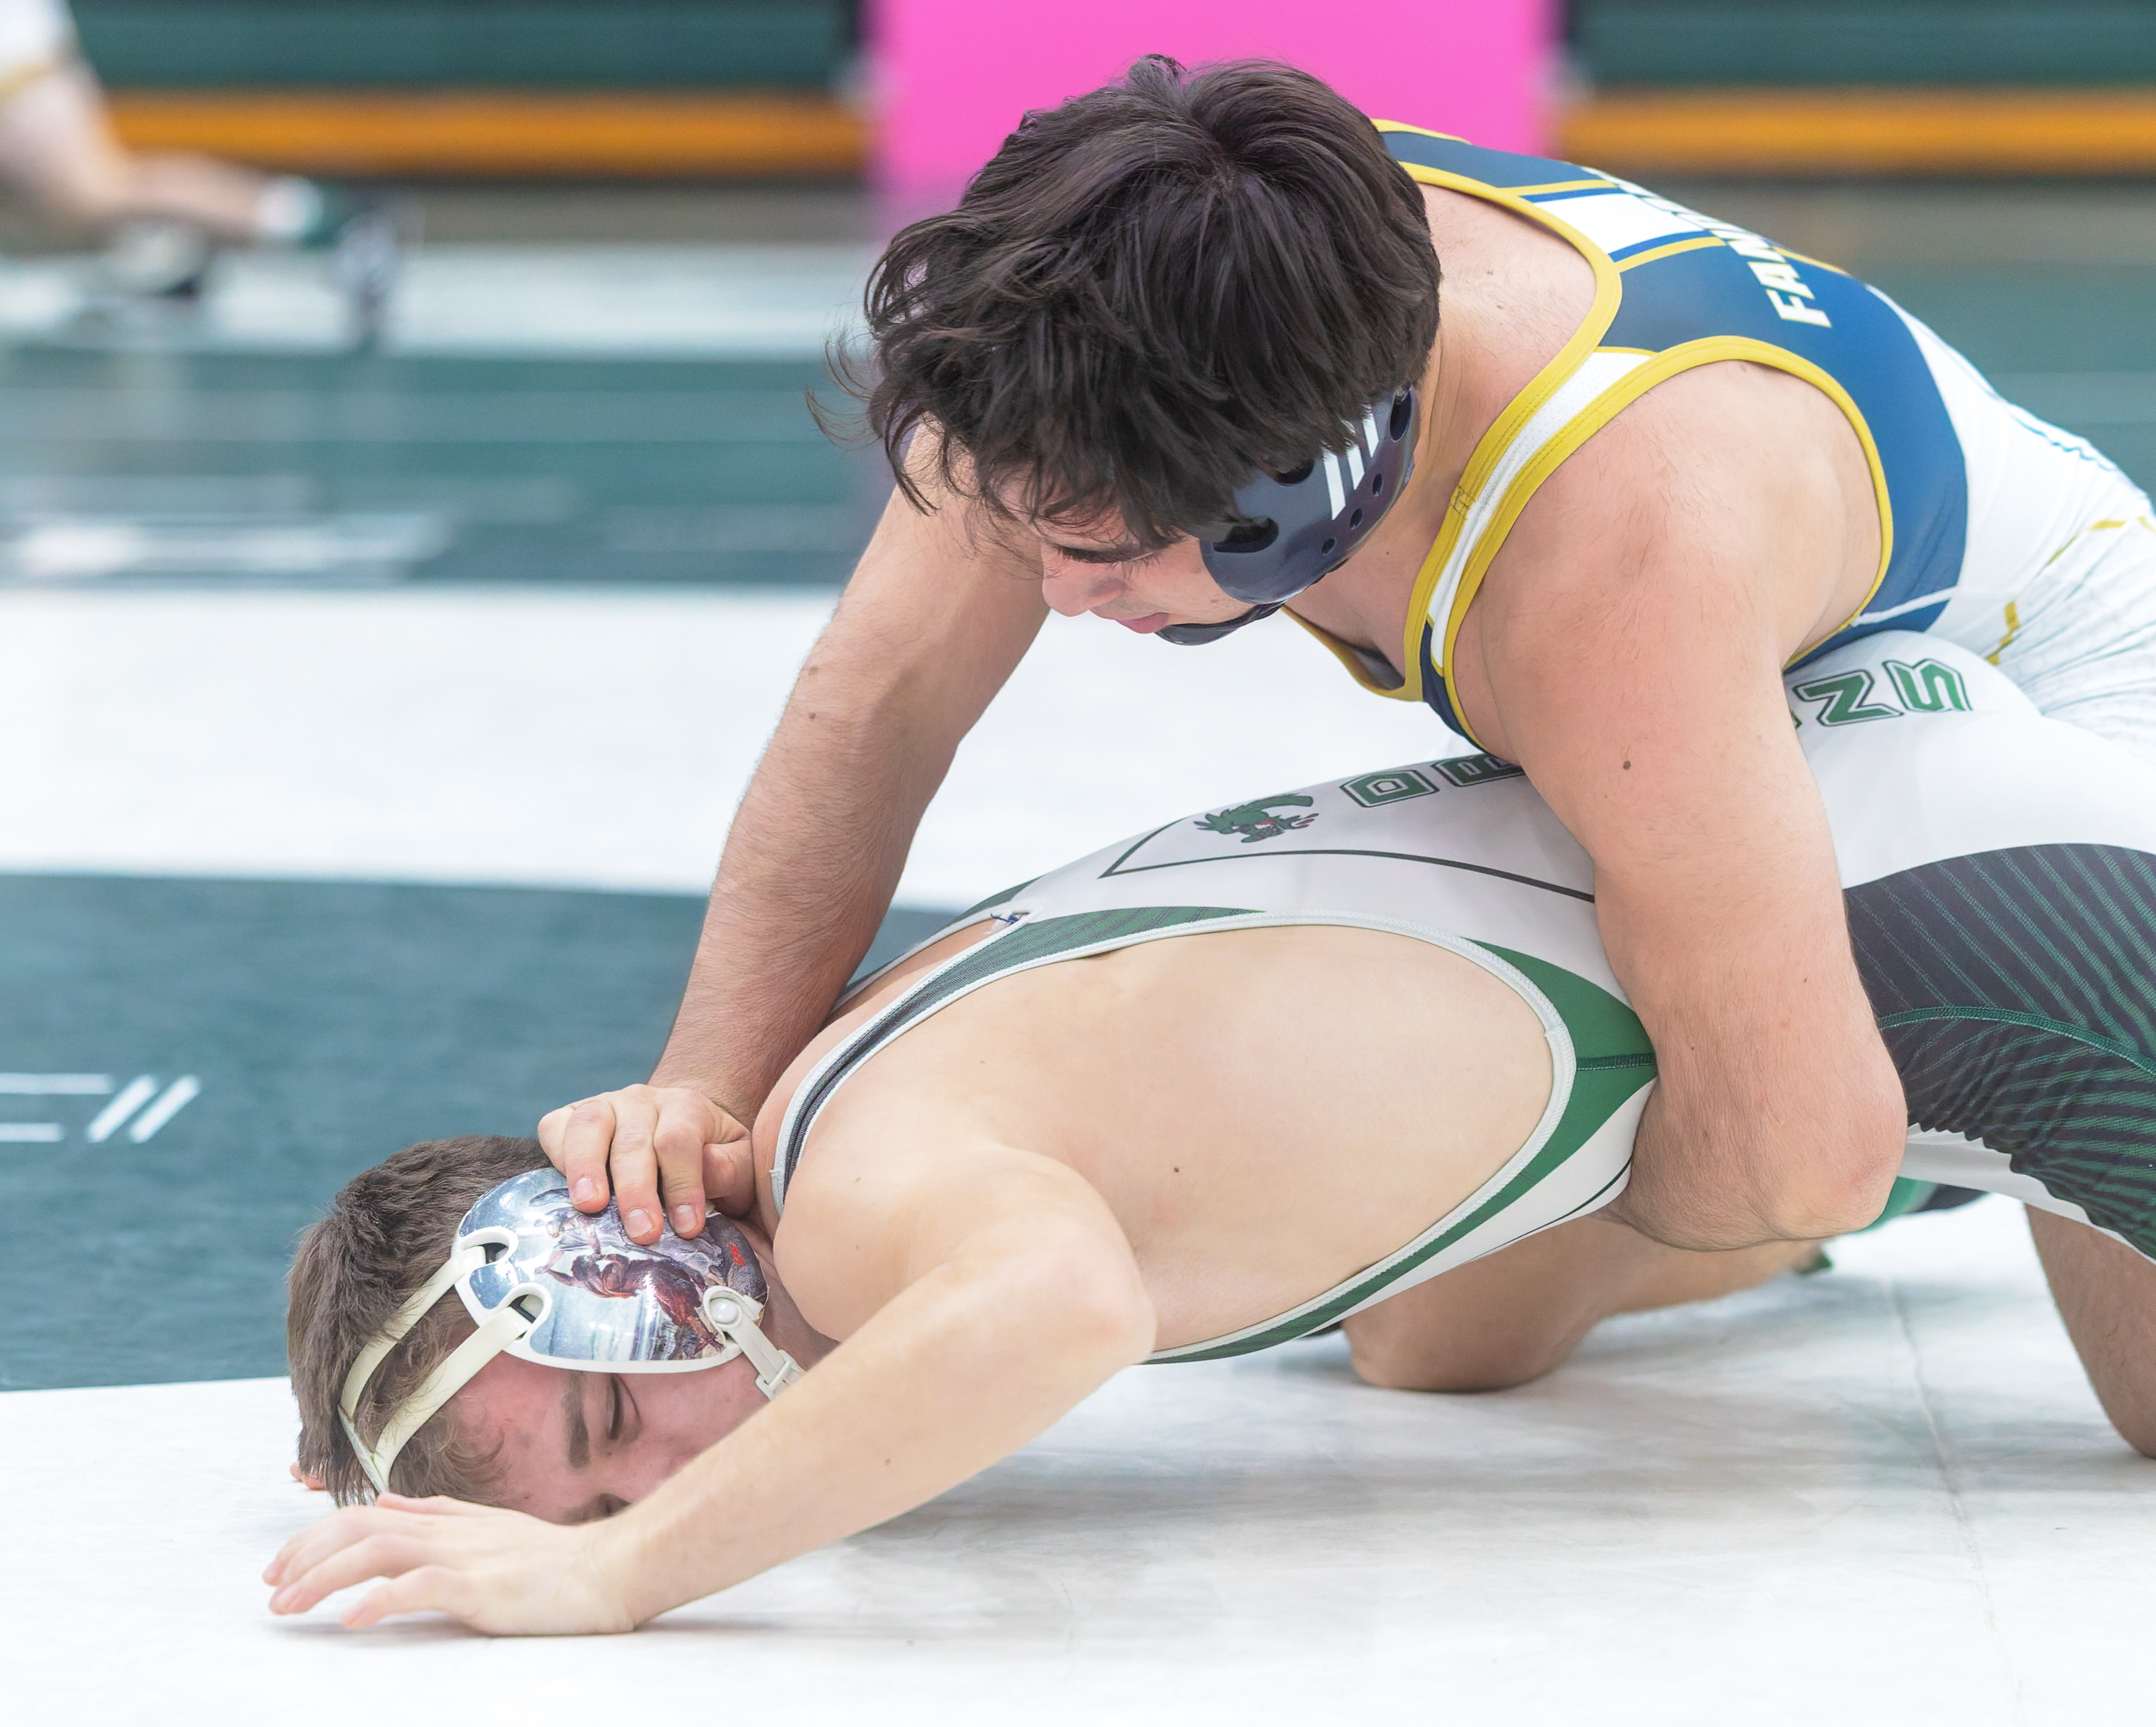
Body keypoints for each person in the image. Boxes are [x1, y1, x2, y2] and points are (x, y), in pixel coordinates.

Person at [543, 59, 2156, 1329]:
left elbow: (1805, 1151)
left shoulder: (1612, 573)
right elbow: (876, 704)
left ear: (1295, 513)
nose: (1044, 594)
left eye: (1100, 560)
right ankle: (1832, 1104)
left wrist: (1812, 1144)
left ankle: (1943, 1107)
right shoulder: (1149, 290)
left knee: (1831, 1184)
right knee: (1435, 1333)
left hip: (2072, 693)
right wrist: (701, 1098)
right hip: (1757, 696)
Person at [268, 634, 2156, 1634]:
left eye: (612, 1425)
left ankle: (1896, 1142)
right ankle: (1881, 1168)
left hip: (2027, 928)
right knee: (1431, 1338)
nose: (667, 1486)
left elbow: (1061, 1307)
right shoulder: (854, 1097)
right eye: (607, 1505)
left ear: (626, 1259)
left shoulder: (858, 1203)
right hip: (1892, 853)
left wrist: (617, 1582)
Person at [0, 0, 395, 314]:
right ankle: (158, 255)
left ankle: (321, 221)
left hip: (16, 63)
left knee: (96, 193)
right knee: (81, 205)